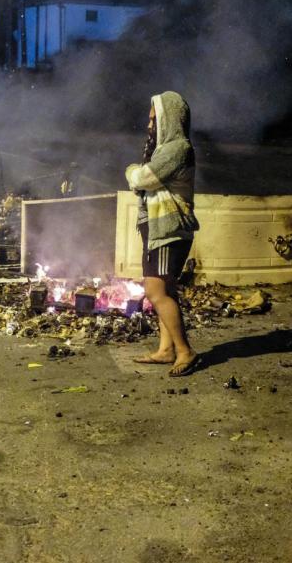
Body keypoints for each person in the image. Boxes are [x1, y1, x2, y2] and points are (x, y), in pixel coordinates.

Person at [126, 91, 202, 377]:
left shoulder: (177, 149)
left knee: (155, 292)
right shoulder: (165, 150)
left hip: (168, 232)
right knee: (165, 290)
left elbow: (143, 179)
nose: (149, 126)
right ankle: (166, 350)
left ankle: (185, 351)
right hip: (159, 231)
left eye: (153, 120)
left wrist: (132, 171)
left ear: (170, 118)